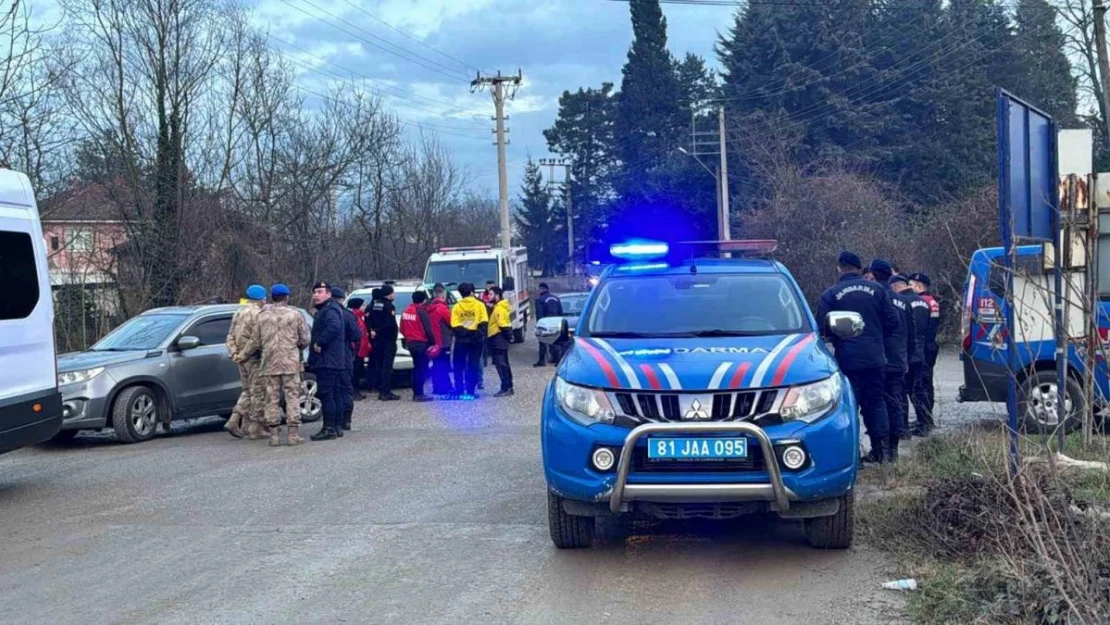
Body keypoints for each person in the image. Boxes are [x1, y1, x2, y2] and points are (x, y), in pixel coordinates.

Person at [817, 252, 898, 464]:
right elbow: (892, 322)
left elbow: (822, 328)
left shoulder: (831, 293)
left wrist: (839, 340)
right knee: (876, 403)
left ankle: (854, 457)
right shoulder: (878, 290)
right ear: (861, 268)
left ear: (839, 268)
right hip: (875, 358)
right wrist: (877, 337)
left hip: (848, 360)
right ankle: (883, 453)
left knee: (849, 406)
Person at [240, 284, 310, 447]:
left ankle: (274, 436)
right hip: (290, 363)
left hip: (269, 363)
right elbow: (305, 338)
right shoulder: (295, 314)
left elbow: (255, 341)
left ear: (272, 297)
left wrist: (242, 355)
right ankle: (293, 434)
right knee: (292, 396)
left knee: (271, 398)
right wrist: (297, 346)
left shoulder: (262, 316)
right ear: (286, 297)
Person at [865, 261, 916, 462]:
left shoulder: (874, 299)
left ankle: (880, 451)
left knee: (876, 405)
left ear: (874, 276)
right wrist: (907, 358)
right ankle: (893, 452)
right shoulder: (903, 301)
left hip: (878, 361)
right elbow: (912, 334)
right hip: (898, 361)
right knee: (894, 403)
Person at [225, 284, 268, 439]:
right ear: (261, 299)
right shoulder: (259, 314)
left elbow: (230, 336)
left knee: (246, 390)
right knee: (257, 393)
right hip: (254, 358)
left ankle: (237, 421)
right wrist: (244, 354)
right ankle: (254, 428)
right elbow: (256, 340)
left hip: (240, 360)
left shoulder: (239, 312)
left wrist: (234, 353)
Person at [308, 281, 347, 441]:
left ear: (329, 294)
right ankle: (337, 426)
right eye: (315, 292)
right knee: (335, 393)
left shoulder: (330, 309)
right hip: (333, 360)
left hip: (328, 360)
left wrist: (319, 342)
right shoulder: (327, 309)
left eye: (320, 291)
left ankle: (329, 427)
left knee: (327, 394)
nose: (316, 295)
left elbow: (334, 327)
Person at [909, 272, 940, 435]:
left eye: (912, 284)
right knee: (926, 383)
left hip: (925, 347)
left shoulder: (924, 302)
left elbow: (926, 328)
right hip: (930, 346)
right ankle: (926, 418)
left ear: (919, 286)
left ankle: (926, 420)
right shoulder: (932, 301)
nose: (910, 287)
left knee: (921, 385)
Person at [451, 282, 489, 397]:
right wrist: (475, 333)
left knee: (458, 364)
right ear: (471, 292)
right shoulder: (479, 305)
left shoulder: (456, 306)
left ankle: (459, 389)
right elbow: (484, 323)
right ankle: (471, 390)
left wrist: (465, 333)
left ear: (460, 293)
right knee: (473, 364)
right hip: (476, 341)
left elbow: (454, 325)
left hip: (461, 341)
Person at [333, 287, 363, 434]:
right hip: (345, 356)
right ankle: (346, 420)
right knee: (345, 388)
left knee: (334, 390)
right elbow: (357, 335)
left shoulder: (326, 314)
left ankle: (336, 421)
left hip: (330, 358)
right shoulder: (348, 315)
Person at [400, 291, 436, 402]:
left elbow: (401, 327)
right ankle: (419, 393)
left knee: (416, 367)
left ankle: (416, 391)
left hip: (410, 343)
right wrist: (433, 342)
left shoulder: (406, 310)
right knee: (422, 368)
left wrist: (408, 337)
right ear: (423, 300)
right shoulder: (421, 311)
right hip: (421, 343)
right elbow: (428, 329)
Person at [369, 285, 400, 401]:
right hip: (387, 341)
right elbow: (389, 324)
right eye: (393, 293)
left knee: (380, 365)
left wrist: (374, 330)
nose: (394, 295)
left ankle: (381, 389)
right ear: (389, 294)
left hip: (377, 340)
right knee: (387, 367)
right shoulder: (389, 306)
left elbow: (371, 319)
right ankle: (385, 392)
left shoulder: (376, 304)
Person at [427, 283, 454, 395]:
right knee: (443, 364)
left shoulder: (429, 307)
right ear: (443, 294)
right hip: (443, 340)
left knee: (436, 363)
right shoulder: (442, 309)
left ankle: (437, 386)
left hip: (433, 340)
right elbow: (452, 322)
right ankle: (443, 387)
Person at [488, 286, 514, 397]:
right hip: (500, 339)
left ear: (497, 296)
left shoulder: (499, 309)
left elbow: (503, 325)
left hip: (498, 338)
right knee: (504, 363)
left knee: (501, 364)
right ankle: (508, 386)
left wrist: (509, 336)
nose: (488, 296)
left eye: (490, 294)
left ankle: (505, 387)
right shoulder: (499, 307)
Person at [347, 298, 371, 401]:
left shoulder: (360, 317)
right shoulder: (355, 317)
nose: (365, 307)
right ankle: (353, 392)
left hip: (361, 349)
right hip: (357, 349)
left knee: (358, 370)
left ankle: (356, 391)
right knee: (355, 371)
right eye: (363, 305)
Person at [533, 283, 563, 367]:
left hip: (545, 322)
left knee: (542, 341)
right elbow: (560, 311)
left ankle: (542, 361)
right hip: (556, 322)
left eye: (539, 289)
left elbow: (539, 314)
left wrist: (539, 324)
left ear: (542, 289)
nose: (538, 291)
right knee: (555, 340)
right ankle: (557, 359)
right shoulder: (556, 298)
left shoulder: (539, 300)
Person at [366, 288, 383, 392]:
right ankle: (375, 384)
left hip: (371, 339)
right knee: (377, 362)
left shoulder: (369, 307)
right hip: (376, 339)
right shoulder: (376, 307)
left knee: (372, 363)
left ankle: (371, 384)